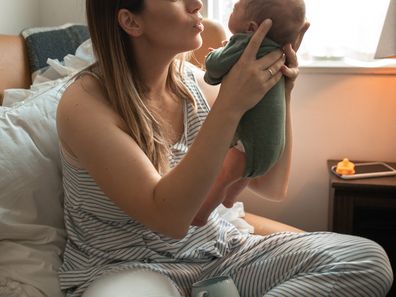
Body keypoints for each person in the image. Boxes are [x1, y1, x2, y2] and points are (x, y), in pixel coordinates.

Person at [56, 0, 393, 296]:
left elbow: (270, 185)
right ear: (131, 21)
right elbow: (168, 218)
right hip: (129, 268)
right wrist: (230, 105)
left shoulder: (197, 84)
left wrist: (282, 89)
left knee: (368, 260)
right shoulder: (84, 104)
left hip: (221, 256)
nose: (196, 3)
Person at [192, 0, 306, 227]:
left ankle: (204, 213)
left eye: (234, 8)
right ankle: (221, 205)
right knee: (234, 174)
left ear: (252, 28)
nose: (197, 4)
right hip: (270, 148)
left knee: (228, 174)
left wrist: (286, 90)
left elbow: (273, 189)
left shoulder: (244, 53)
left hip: (221, 224)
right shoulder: (268, 51)